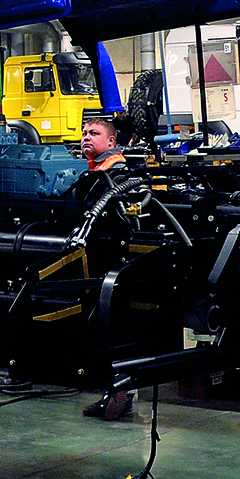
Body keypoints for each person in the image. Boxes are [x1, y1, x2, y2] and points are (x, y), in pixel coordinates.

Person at [76, 115, 133, 421]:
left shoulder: (117, 173)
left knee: (113, 330)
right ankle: (113, 394)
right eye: (84, 132)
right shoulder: (95, 171)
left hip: (114, 265)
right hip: (98, 265)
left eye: (94, 133)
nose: (86, 137)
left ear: (111, 142)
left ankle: (120, 395)